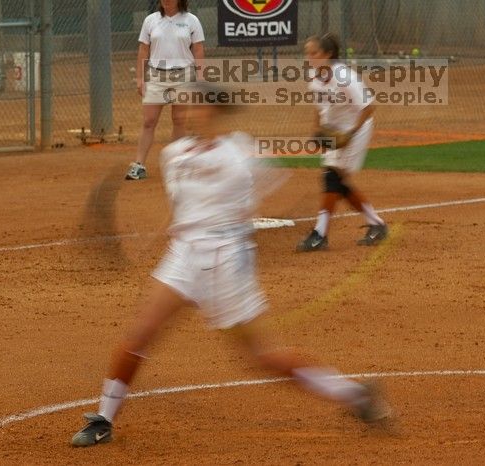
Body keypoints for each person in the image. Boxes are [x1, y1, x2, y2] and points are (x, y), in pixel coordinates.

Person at [71, 84, 391, 447]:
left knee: (262, 356)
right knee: (139, 334)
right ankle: (104, 419)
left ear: (215, 111)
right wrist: (156, 236)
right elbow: (183, 205)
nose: (188, 112)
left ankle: (355, 395)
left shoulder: (240, 152)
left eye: (195, 105)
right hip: (184, 255)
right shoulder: (173, 153)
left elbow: (251, 198)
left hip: (227, 258)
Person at [296, 33, 388, 253]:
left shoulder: (344, 77)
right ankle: (376, 224)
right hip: (333, 132)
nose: (309, 57)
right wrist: (316, 132)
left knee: (332, 177)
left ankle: (320, 234)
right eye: (307, 53)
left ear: (328, 54)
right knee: (337, 182)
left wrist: (351, 135)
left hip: (356, 129)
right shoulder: (315, 78)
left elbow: (368, 107)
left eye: (314, 53)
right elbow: (319, 108)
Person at [126, 0, 205, 181]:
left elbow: (199, 50)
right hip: (156, 75)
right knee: (149, 121)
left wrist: (200, 78)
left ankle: (177, 165)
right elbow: (143, 50)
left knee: (178, 120)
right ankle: (138, 165)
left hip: (183, 75)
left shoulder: (191, 20)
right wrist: (140, 77)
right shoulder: (151, 21)